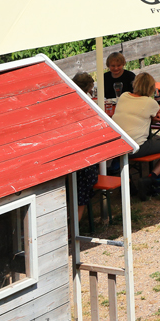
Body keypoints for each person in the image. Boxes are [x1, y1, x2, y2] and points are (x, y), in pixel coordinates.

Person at [111, 72, 160, 177]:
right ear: (151, 88)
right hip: (136, 146)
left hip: (116, 144)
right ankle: (151, 178)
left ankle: (128, 179)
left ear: (135, 84)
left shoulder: (124, 96)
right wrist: (154, 117)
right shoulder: (150, 102)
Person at [71, 72, 102, 223]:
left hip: (72, 156)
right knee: (82, 191)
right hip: (84, 159)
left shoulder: (68, 99)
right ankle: (74, 227)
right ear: (89, 88)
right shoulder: (86, 103)